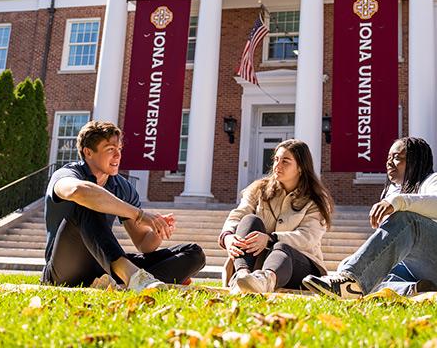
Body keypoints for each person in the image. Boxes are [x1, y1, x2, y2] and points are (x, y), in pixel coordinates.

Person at [303, 136, 437, 299]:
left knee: (407, 220)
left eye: (397, 157)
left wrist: (398, 202)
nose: (389, 163)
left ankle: (350, 281)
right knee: (367, 271)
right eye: (389, 158)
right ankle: (413, 289)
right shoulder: (396, 192)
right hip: (422, 271)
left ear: (416, 161)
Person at [41, 120, 205, 290]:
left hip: (103, 267)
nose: (118, 156)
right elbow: (77, 191)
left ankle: (124, 282)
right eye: (110, 149)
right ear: (88, 152)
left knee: (193, 253)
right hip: (63, 271)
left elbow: (143, 244)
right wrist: (139, 214)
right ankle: (133, 277)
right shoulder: (68, 173)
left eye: (119, 149)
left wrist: (157, 230)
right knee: (87, 201)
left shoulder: (122, 187)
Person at [218, 139, 333, 294]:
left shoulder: (316, 199)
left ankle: (266, 280)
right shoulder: (259, 189)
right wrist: (228, 236)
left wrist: (271, 238)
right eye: (276, 159)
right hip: (258, 262)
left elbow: (308, 237)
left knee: (281, 246)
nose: (277, 166)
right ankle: (242, 276)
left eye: (285, 161)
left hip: (298, 266)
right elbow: (239, 214)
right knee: (250, 220)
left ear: (300, 167)